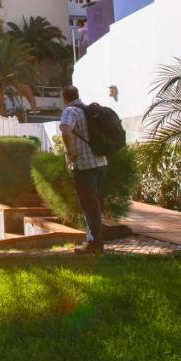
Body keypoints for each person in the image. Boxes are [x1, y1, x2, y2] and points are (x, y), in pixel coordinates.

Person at [59, 85, 106, 254]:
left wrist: (70, 153)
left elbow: (65, 130)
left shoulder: (70, 111)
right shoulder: (88, 110)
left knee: (88, 205)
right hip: (101, 163)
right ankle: (95, 240)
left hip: (84, 165)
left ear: (64, 98)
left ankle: (94, 243)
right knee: (94, 204)